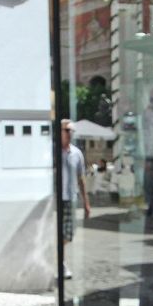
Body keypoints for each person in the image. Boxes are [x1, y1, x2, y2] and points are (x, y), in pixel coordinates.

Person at [59, 119, 89, 279]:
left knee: (68, 234)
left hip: (70, 198)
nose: (70, 134)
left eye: (71, 131)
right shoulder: (51, 151)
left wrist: (86, 202)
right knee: (58, 233)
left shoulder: (76, 153)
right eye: (67, 130)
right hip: (55, 201)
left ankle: (59, 259)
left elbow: (81, 178)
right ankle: (60, 263)